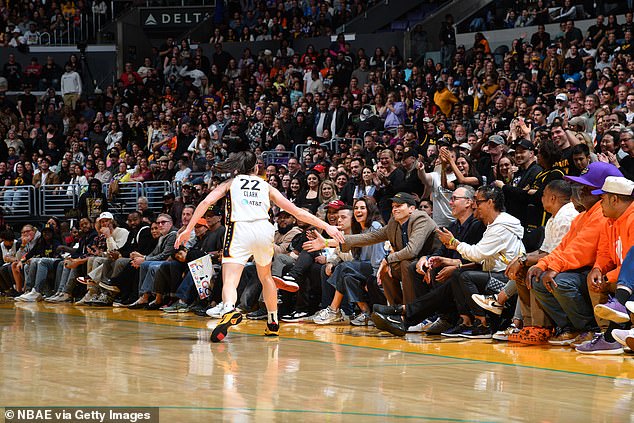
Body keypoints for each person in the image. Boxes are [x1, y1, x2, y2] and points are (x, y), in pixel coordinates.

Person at [174, 151, 343, 342]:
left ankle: (229, 309)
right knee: (266, 277)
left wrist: (188, 229)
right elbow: (297, 212)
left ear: (237, 168)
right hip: (264, 229)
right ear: (256, 168)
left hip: (240, 228)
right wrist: (327, 226)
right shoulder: (266, 186)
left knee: (230, 277)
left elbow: (205, 202)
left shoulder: (230, 183)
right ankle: (272, 322)